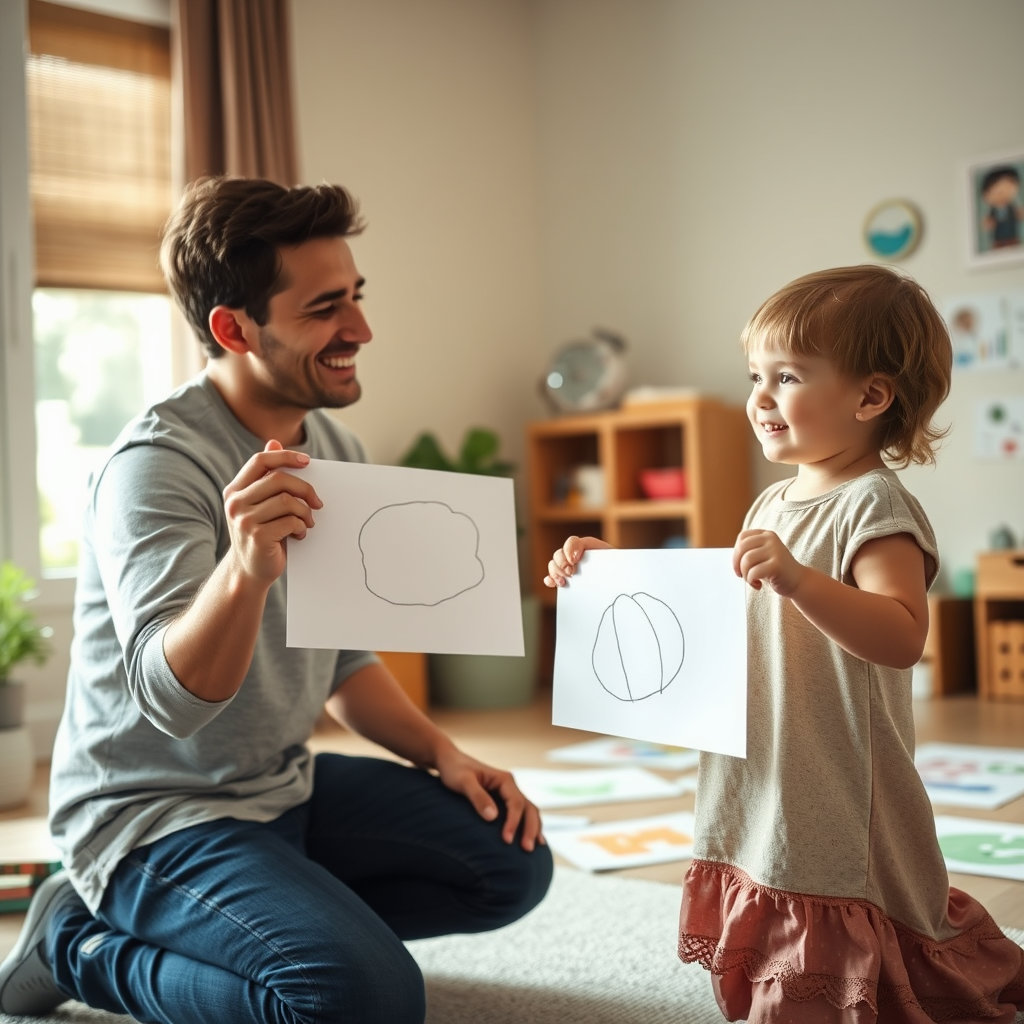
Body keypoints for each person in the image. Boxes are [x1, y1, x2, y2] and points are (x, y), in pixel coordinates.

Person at [0, 176, 552, 1024]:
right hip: (152, 815)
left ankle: (266, 924)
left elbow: (346, 657)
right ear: (233, 327)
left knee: (511, 861)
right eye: (326, 307)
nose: (361, 329)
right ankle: (74, 948)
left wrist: (443, 753)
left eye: (357, 297)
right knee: (360, 999)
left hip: (277, 786)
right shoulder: (157, 465)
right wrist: (248, 568)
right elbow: (172, 699)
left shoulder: (333, 442)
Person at [543, 265, 1024, 1022]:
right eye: (754, 376)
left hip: (835, 767)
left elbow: (901, 633)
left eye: (788, 376)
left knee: (826, 878)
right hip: (762, 748)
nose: (759, 398)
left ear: (871, 397)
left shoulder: (875, 504)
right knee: (765, 859)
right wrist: (611, 570)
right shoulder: (774, 497)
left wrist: (801, 580)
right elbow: (731, 601)